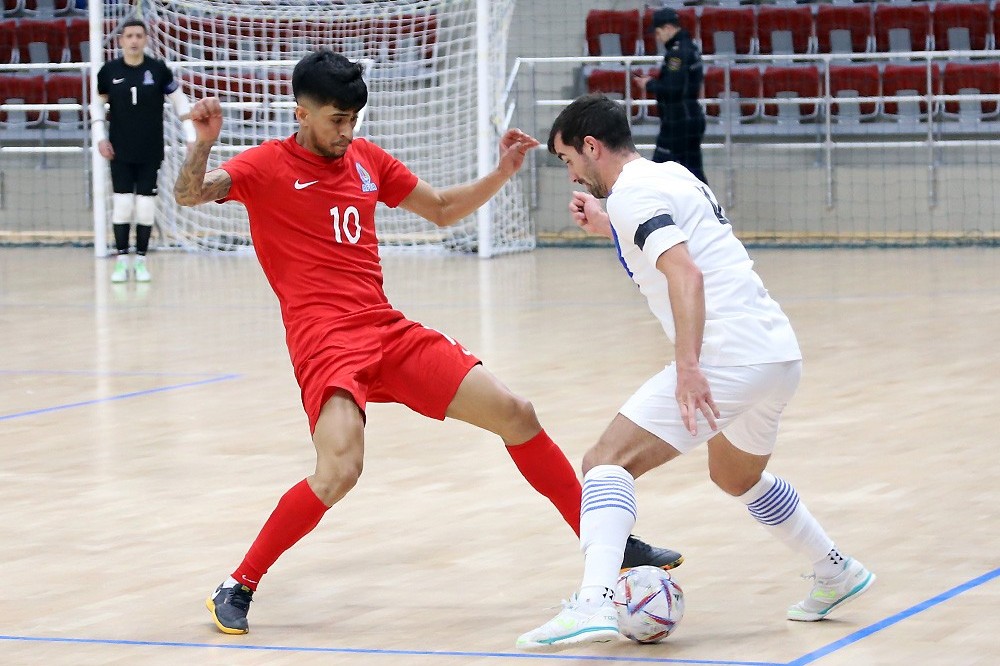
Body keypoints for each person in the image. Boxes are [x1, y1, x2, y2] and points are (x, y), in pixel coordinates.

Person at [173, 51, 684, 636]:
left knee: (516, 413)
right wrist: (203, 144)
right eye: (336, 120)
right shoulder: (265, 166)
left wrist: (501, 173)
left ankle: (607, 546)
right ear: (303, 114)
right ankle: (238, 583)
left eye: (353, 120)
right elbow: (191, 194)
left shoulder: (364, 159)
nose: (347, 132)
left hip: (386, 330)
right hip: (325, 344)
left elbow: (441, 210)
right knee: (339, 470)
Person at [516, 93, 875, 650]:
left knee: (603, 462)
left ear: (591, 147)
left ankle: (592, 604)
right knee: (735, 477)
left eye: (568, 161)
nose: (572, 177)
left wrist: (688, 368)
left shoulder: (635, 194)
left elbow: (685, 273)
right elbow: (679, 239)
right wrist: (607, 221)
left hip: (727, 357)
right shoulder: (671, 175)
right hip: (776, 355)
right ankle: (835, 570)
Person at [93, 19, 196, 283]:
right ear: (121, 40)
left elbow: (179, 100)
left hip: (150, 150)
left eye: (139, 35)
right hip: (120, 150)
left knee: (146, 206)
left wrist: (191, 136)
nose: (134, 40)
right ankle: (120, 261)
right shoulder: (109, 71)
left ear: (146, 39)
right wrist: (99, 137)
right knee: (123, 205)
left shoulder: (158, 70)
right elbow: (96, 106)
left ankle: (140, 261)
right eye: (129, 36)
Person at [633, 8, 708, 185]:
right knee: (694, 173)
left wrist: (649, 84)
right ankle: (712, 210)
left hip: (678, 122)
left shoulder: (677, 53)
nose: (657, 38)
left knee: (658, 173)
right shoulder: (690, 46)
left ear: (667, 28)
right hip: (690, 118)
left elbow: (673, 89)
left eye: (658, 32)